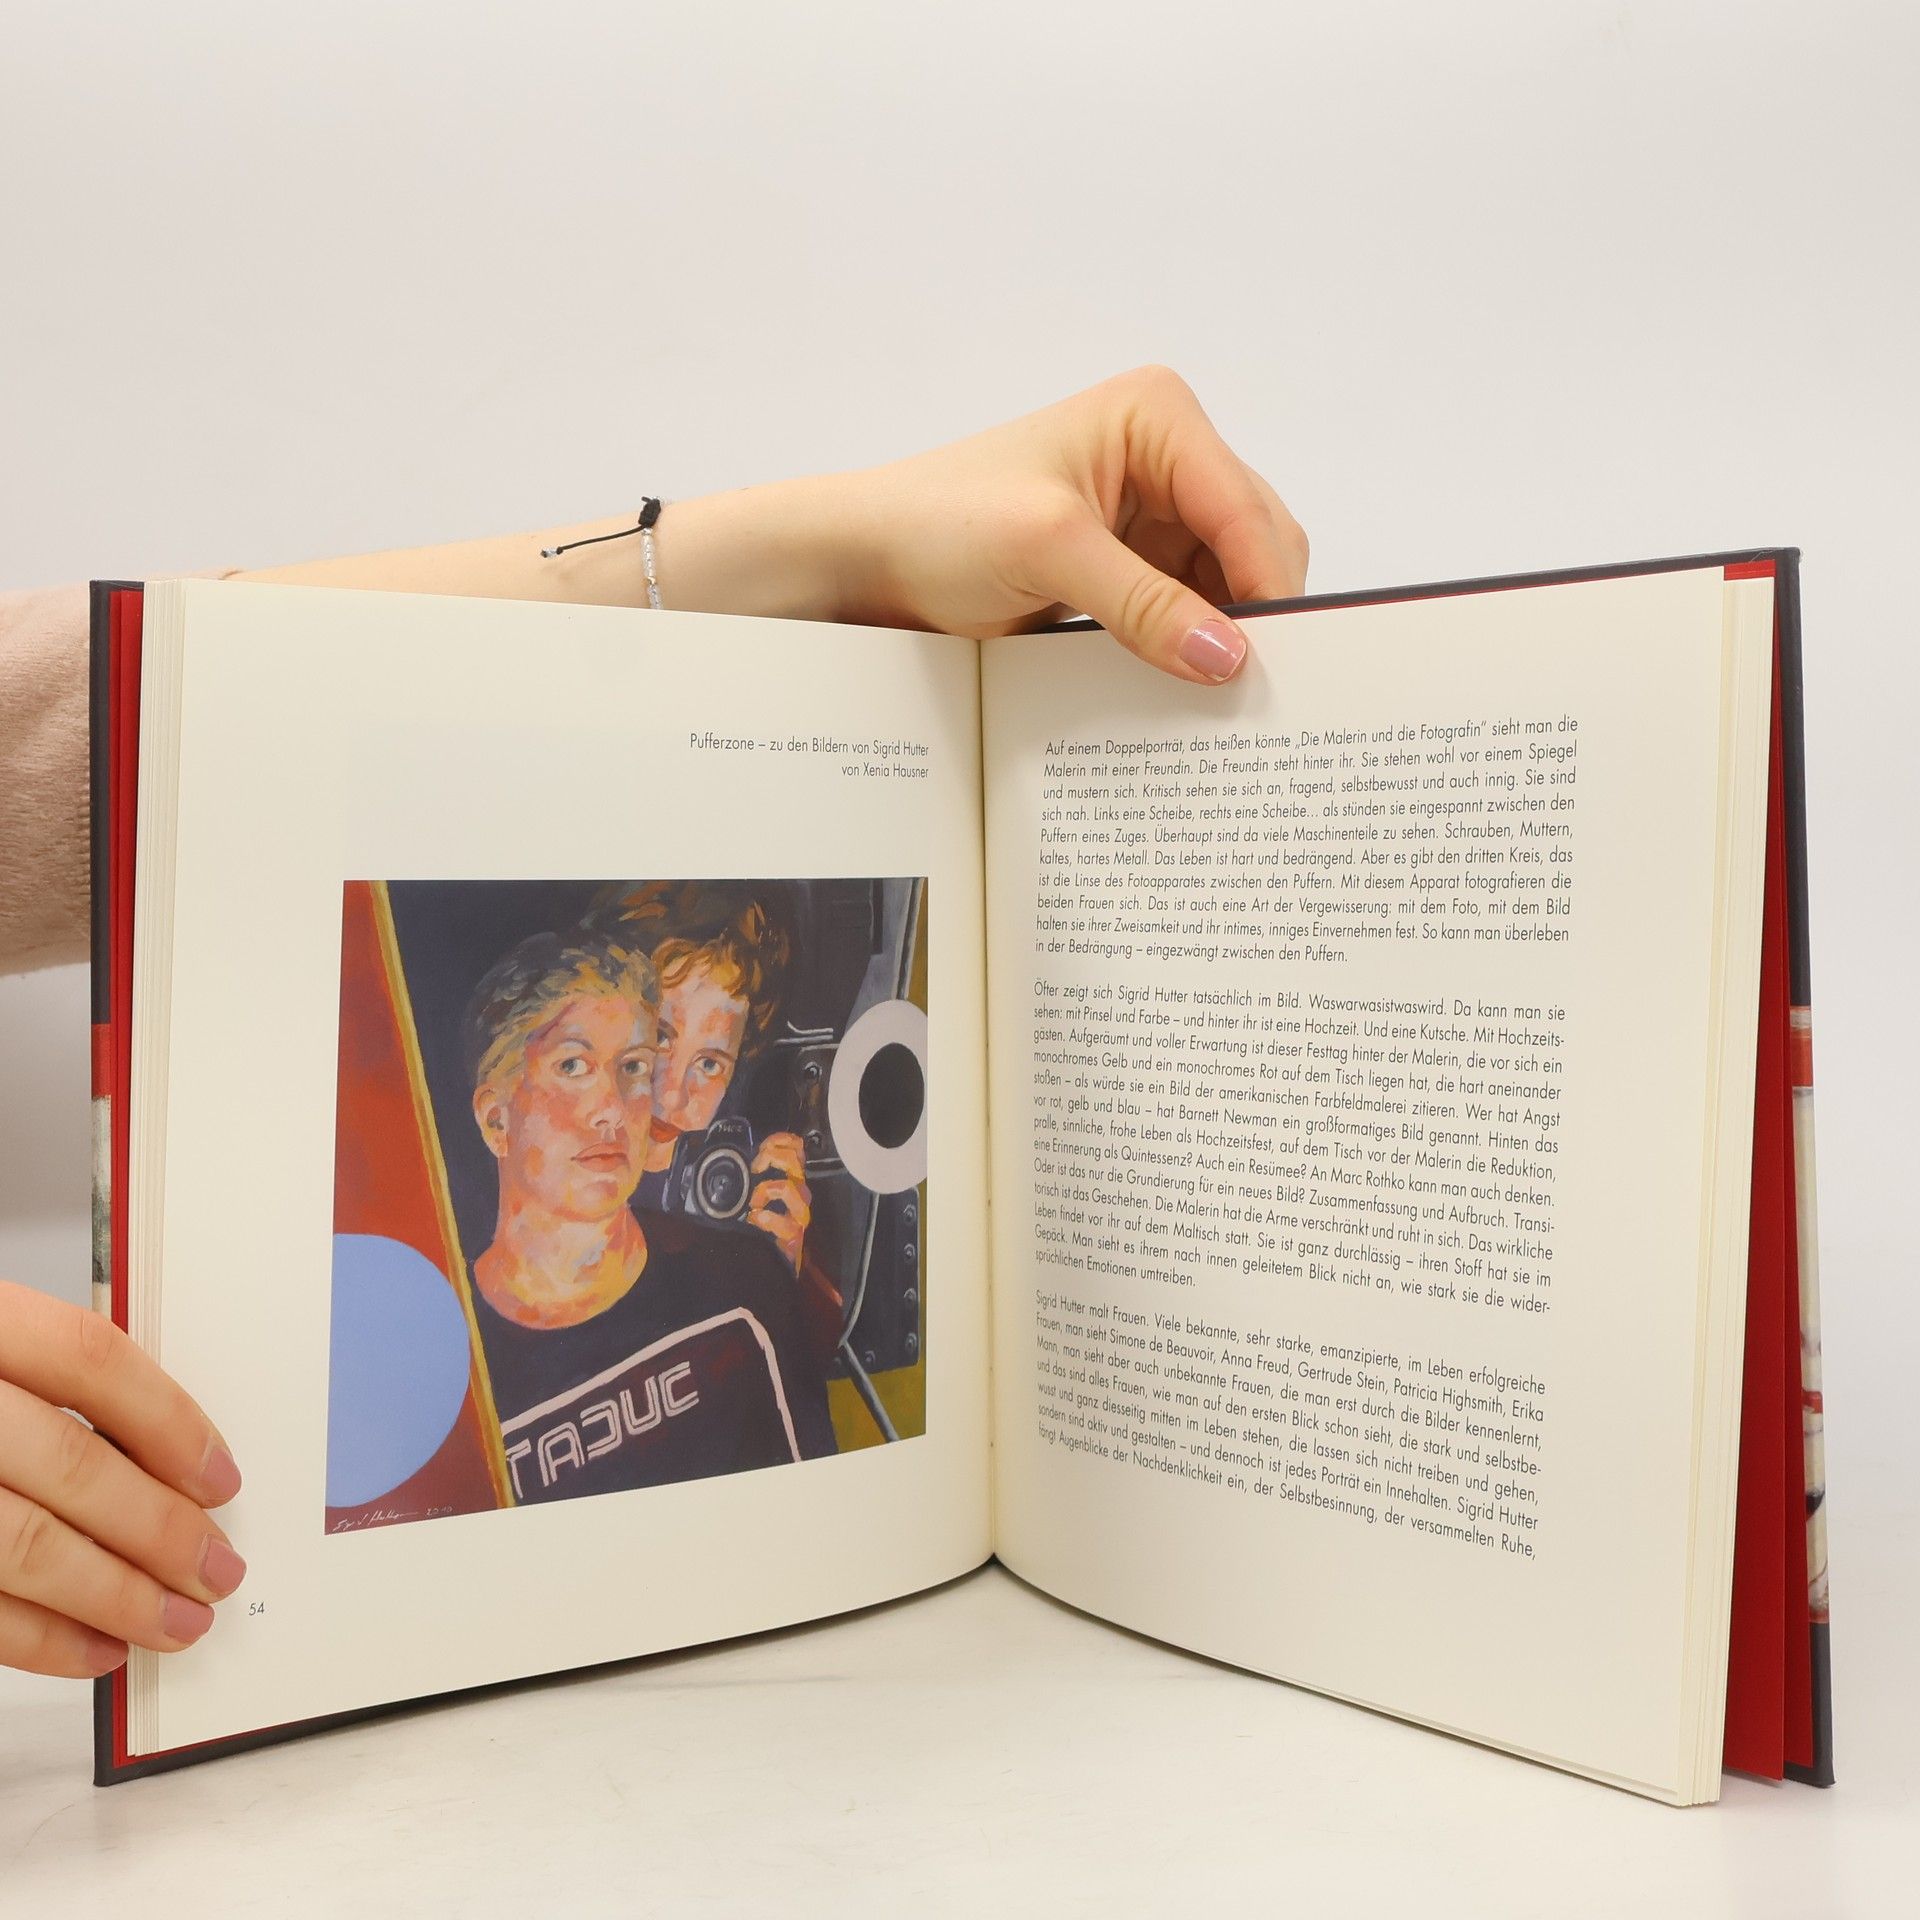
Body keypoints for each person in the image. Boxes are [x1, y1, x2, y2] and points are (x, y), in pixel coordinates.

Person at [0, 365, 1308, 1677]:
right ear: (496, 1101)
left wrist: (791, 1285)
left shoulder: (726, 1271)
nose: (651, 1103)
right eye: (607, 1060)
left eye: (688, 1065)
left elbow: (107, 723)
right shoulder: (422, 1334)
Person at [461, 918, 835, 1504]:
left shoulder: (746, 1286)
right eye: (573, 1066)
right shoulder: (446, 1358)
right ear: (495, 1119)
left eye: (634, 1066)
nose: (613, 1108)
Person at [586, 881, 848, 1362]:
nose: (671, 1094)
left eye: (709, 1064)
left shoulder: (739, 1188)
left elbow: (809, 1363)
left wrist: (781, 1270)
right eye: (659, 1038)